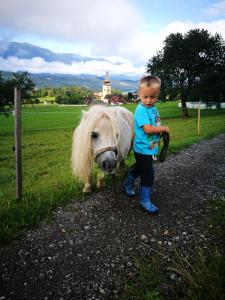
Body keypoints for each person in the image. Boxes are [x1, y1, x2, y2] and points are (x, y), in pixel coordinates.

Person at [123, 75, 169, 214]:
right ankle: (144, 201)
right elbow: (148, 129)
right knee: (148, 174)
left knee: (139, 168)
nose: (149, 100)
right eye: (145, 97)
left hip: (149, 148)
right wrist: (164, 129)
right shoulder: (141, 110)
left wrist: (159, 134)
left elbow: (155, 123)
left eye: (153, 97)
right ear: (139, 94)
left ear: (157, 95)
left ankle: (127, 184)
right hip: (143, 149)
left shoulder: (152, 108)